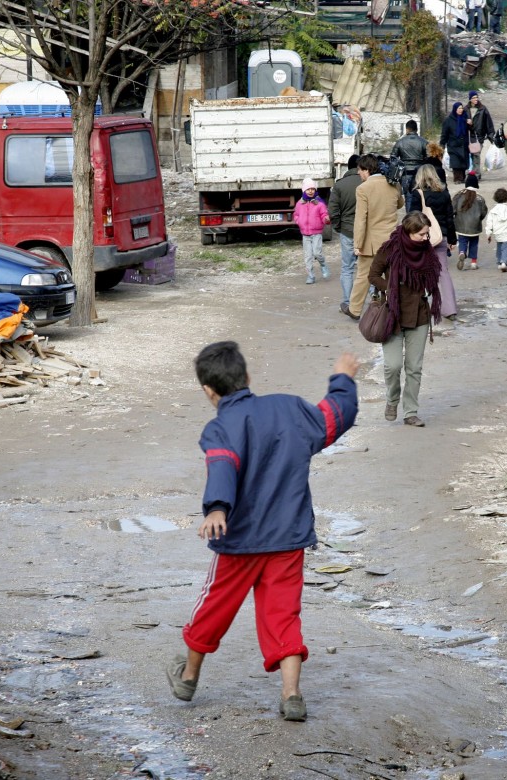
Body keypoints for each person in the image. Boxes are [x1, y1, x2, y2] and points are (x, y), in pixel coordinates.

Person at [166, 342, 360, 722]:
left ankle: (188, 677)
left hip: (239, 542)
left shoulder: (220, 427)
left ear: (209, 391)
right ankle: (291, 694)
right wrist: (343, 379)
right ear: (247, 378)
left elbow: (223, 465)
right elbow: (336, 416)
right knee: (283, 614)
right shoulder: (289, 408)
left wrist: (218, 508)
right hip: (288, 539)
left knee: (214, 607)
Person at [368, 212, 442, 427]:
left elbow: (433, 275)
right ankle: (392, 400)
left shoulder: (426, 251)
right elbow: (372, 276)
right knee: (392, 366)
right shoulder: (390, 249)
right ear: (409, 232)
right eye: (421, 234)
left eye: (426, 233)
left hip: (419, 315)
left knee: (414, 368)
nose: (425, 238)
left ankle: (410, 412)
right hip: (393, 315)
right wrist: (389, 288)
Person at [350, 153, 404, 319]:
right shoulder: (394, 185)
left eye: (360, 170)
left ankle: (354, 309)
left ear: (366, 170)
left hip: (371, 243)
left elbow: (361, 219)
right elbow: (400, 203)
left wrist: (357, 244)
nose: (359, 173)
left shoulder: (363, 189)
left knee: (364, 276)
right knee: (391, 274)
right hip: (392, 240)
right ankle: (390, 305)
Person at [411, 165, 458, 320]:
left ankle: (416, 307)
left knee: (417, 271)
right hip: (441, 236)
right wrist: (452, 239)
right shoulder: (444, 193)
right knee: (443, 272)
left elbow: (412, 218)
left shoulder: (418, 194)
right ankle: (450, 308)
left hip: (422, 238)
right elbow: (450, 218)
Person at [329, 155, 363, 317]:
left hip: (348, 232)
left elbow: (333, 211)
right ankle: (373, 299)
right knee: (367, 268)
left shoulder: (340, 185)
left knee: (347, 268)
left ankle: (348, 302)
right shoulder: (367, 183)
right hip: (366, 233)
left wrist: (338, 227)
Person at [293, 178, 330, 284]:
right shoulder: (299, 204)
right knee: (308, 256)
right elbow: (296, 214)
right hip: (305, 234)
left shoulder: (319, 203)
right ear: (304, 190)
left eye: (312, 189)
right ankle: (311, 276)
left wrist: (326, 219)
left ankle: (323, 265)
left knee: (317, 253)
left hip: (317, 233)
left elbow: (324, 214)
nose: (310, 191)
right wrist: (298, 221)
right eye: (308, 189)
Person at [452, 173, 487, 271]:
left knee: (462, 240)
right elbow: (484, 212)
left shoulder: (459, 195)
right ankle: (473, 263)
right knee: (474, 243)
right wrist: (479, 219)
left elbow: (452, 209)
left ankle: (462, 252)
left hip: (461, 225)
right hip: (475, 226)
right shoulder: (480, 198)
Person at [390, 119, 428, 207]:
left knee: (408, 197)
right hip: (420, 173)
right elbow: (429, 158)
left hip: (405, 173)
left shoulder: (400, 142)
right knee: (421, 196)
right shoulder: (423, 142)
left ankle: (410, 218)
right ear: (417, 129)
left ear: (407, 129)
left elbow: (393, 158)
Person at [485, 187, 507, 272]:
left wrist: (488, 233)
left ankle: (500, 262)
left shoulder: (493, 211)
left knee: (499, 248)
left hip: (497, 233)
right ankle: (504, 262)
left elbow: (489, 223)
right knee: (506, 248)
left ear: (495, 198)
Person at [440, 102, 471, 184]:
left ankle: (462, 177)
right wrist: (442, 144)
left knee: (463, 162)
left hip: (464, 145)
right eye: (459, 108)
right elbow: (444, 134)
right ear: (455, 109)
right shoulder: (448, 120)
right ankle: (457, 178)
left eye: (461, 108)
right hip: (453, 145)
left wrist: (470, 124)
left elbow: (471, 130)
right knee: (456, 163)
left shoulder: (465, 118)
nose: (461, 110)